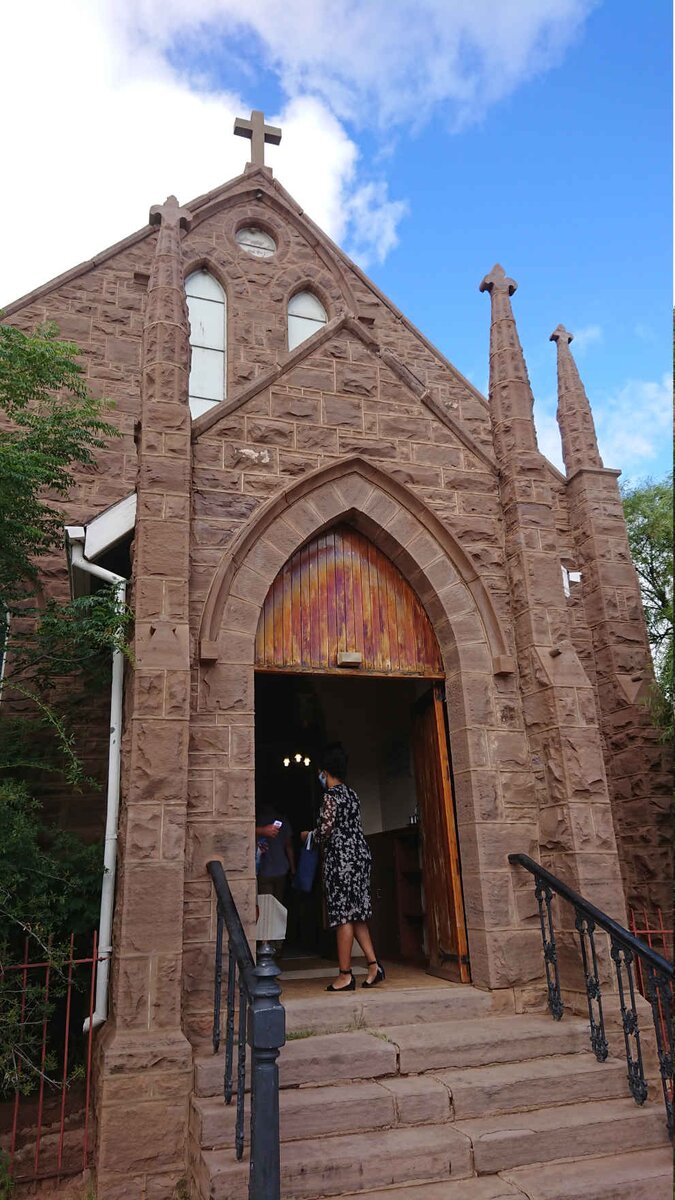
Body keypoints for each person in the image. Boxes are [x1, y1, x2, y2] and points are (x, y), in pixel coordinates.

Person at [301, 743, 385, 992]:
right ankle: (374, 965)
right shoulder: (352, 794)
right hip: (360, 856)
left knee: (342, 916)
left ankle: (345, 974)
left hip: (341, 860)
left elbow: (326, 830)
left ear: (324, 771)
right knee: (357, 914)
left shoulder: (331, 796)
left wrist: (308, 836)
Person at [255, 806, 295, 904]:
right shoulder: (283, 820)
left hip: (265, 870)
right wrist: (293, 869)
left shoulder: (258, 821)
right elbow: (289, 846)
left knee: (267, 905)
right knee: (278, 903)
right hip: (280, 868)